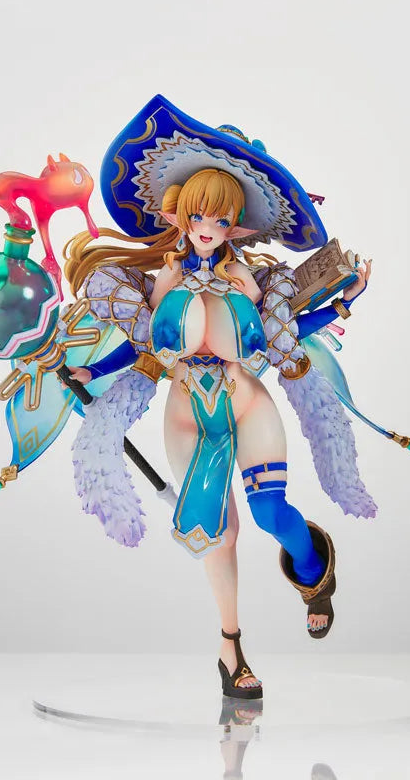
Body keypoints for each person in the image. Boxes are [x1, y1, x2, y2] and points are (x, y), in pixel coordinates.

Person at [61, 95, 378, 699]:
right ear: (180, 215)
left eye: (223, 219)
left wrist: (343, 301)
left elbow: (286, 333)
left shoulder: (252, 280)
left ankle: (314, 572)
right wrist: (93, 372)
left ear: (237, 226)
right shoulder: (161, 280)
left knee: (270, 514)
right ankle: (230, 648)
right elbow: (143, 348)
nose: (209, 228)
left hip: (246, 400)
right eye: (200, 215)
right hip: (188, 412)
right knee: (219, 533)